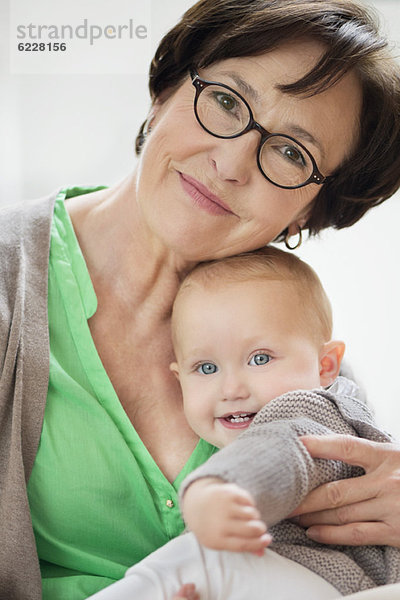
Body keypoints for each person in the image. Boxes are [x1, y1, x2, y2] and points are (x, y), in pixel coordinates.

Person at [2, 1, 400, 599]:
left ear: (311, 214)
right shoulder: (11, 283)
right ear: (165, 88)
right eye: (226, 101)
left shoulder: (308, 362)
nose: (231, 162)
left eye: (293, 153)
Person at [86, 247, 400, 600]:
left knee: (187, 564)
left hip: (332, 577)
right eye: (207, 368)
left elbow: (279, 452)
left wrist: (218, 489)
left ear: (325, 366)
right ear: (178, 378)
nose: (231, 389)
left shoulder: (312, 413)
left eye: (260, 358)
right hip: (311, 581)